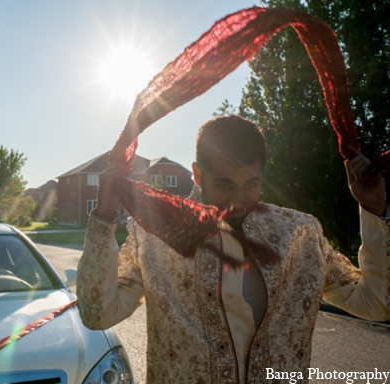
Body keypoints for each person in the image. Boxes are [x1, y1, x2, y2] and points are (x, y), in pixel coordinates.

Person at [76, 115, 390, 383]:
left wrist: (374, 208)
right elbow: (97, 313)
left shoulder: (300, 233)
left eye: (251, 184)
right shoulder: (154, 236)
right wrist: (103, 217)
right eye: (225, 184)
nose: (239, 202)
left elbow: (376, 304)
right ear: (198, 173)